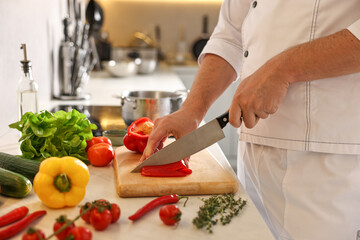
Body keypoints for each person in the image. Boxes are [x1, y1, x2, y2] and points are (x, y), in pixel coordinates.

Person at [140, 1, 360, 239]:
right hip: (252, 152)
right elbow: (231, 35)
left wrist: (282, 69)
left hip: (323, 160)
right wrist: (192, 110)